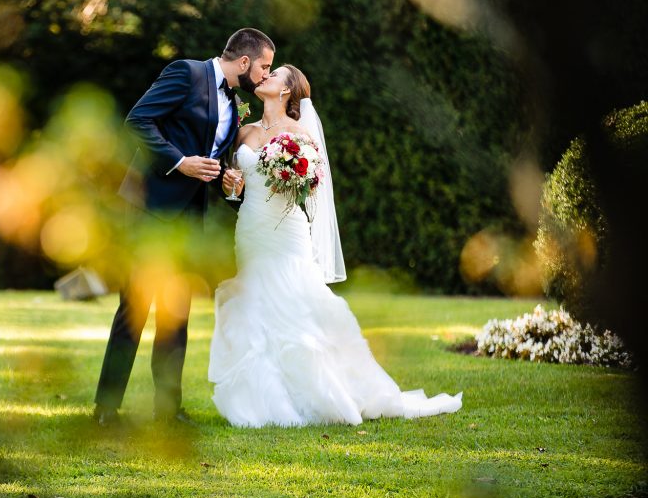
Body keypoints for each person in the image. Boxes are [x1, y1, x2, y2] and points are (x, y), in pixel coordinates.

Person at [208, 64, 463, 427]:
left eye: (275, 74)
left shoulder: (300, 133)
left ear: (286, 92)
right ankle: (265, 400)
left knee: (294, 307)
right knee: (255, 305)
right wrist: (230, 183)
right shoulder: (244, 132)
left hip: (286, 235)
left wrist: (292, 176)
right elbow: (234, 188)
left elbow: (312, 189)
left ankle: (322, 393)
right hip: (249, 230)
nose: (265, 77)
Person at [93, 28, 275, 428]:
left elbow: (210, 151)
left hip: (189, 219)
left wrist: (225, 175)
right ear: (243, 62)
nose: (265, 76)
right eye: (264, 66)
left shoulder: (234, 100)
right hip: (148, 212)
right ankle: (105, 411)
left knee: (176, 315)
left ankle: (168, 410)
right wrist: (180, 162)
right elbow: (137, 119)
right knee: (134, 310)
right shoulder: (187, 73)